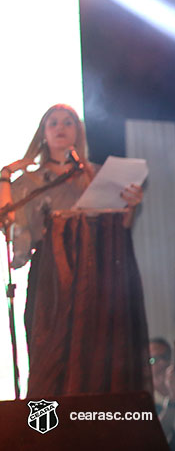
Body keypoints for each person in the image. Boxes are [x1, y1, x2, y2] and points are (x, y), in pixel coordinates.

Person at [0, 103, 143, 335]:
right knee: (50, 343)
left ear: (78, 132)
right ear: (43, 133)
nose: (61, 128)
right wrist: (5, 174)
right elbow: (6, 221)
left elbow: (122, 226)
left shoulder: (95, 175)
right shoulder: (29, 182)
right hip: (49, 273)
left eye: (68, 122)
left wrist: (132, 204)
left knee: (93, 344)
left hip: (93, 270)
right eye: (53, 123)